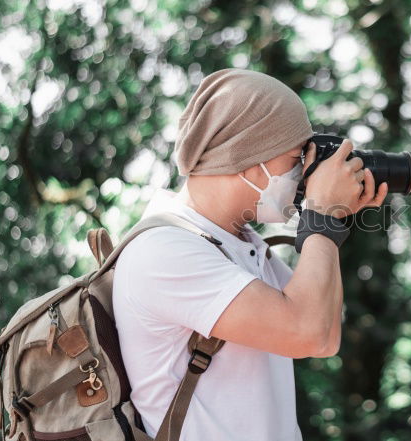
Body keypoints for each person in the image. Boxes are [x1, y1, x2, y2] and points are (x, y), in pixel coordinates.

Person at [112, 68, 387, 440]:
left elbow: (326, 332)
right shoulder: (164, 250)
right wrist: (322, 216)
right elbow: (308, 333)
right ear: (245, 154)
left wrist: (332, 220)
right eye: (296, 157)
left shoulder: (238, 243)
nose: (305, 173)